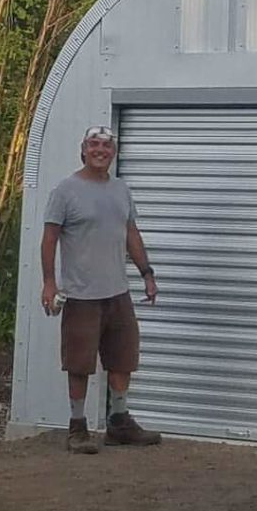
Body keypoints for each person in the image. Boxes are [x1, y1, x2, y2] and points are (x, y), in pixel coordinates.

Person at [41, 124, 161, 454]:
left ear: (114, 153)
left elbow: (131, 235)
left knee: (123, 357)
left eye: (107, 146)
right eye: (94, 144)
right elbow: (49, 238)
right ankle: (77, 428)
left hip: (117, 292)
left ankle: (119, 422)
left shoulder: (121, 190)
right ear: (83, 150)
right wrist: (50, 283)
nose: (100, 150)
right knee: (79, 363)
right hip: (81, 294)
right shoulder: (65, 191)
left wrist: (147, 273)